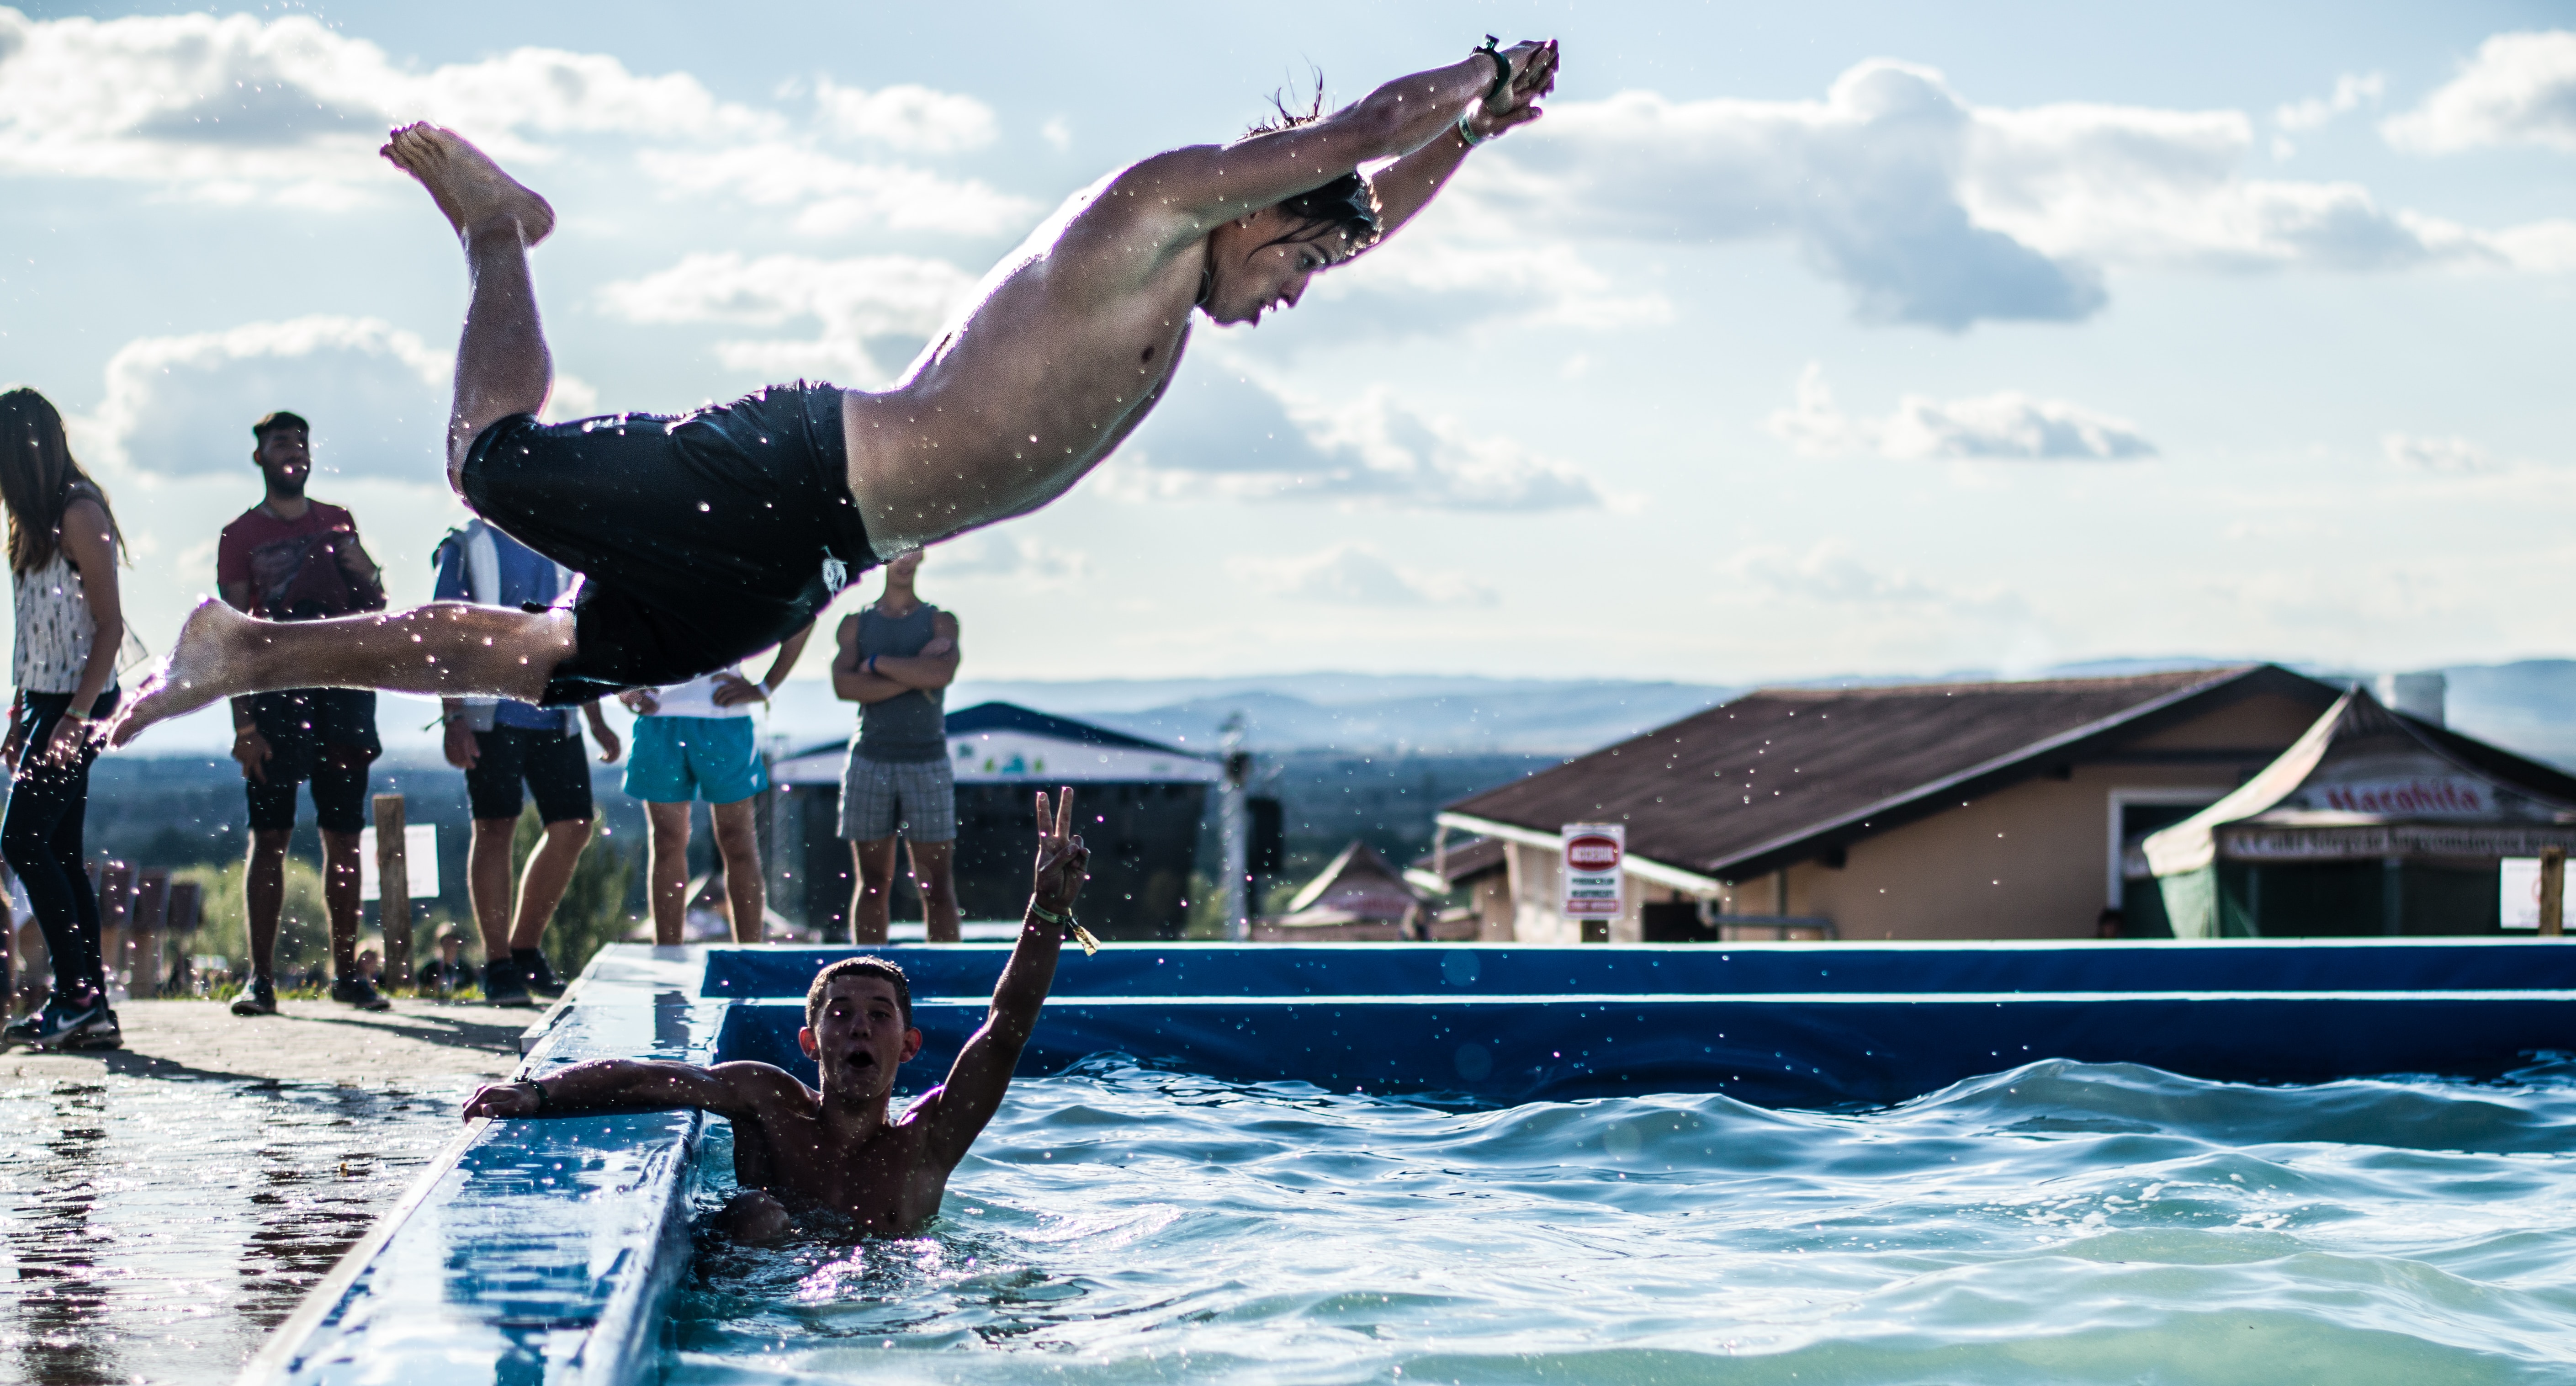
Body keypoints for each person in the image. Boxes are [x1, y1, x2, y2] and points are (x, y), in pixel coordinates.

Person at [108, 40, 1561, 744]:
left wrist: (1478, 136)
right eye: (1305, 253)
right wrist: (1476, 68)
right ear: (1268, 198)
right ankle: (502, 229)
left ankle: (247, 651)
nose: (1308, 284)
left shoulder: (1203, 286)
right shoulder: (1153, 215)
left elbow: (1379, 190)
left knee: (553, 664)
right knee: (491, 471)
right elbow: (1370, 128)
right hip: (791, 470)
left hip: (815, 558)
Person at [462, 788, 1094, 1240]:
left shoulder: (926, 1140)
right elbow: (649, 1078)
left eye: (879, 1016)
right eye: (840, 1014)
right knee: (754, 1215)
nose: (858, 1027)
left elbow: (1005, 1031)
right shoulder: (766, 1103)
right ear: (810, 1040)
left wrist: (1044, 914)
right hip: (769, 1309)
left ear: (909, 1045)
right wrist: (539, 1092)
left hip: (900, 1307)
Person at [218, 411, 391, 1016]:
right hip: (274, 696)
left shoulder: (338, 521)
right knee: (270, 838)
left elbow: (376, 604)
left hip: (343, 691)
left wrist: (363, 568)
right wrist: (244, 726)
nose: (294, 450)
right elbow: (234, 638)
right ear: (260, 457)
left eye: (301, 442)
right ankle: (260, 981)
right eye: (281, 442)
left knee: (343, 837)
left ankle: (347, 975)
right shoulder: (238, 536)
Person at [431, 516, 624, 1005]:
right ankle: (498, 964)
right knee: (496, 827)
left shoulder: (558, 537)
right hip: (487, 711)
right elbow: (441, 634)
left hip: (554, 710)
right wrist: (452, 716)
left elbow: (579, 634)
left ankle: (524, 950)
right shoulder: (466, 543)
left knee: (575, 823)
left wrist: (597, 717)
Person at [0, 388, 126, 1049]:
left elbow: (109, 626)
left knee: (19, 841)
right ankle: (91, 1005)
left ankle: (75, 993)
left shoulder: (79, 511)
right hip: (46, 699)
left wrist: (75, 717)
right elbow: (35, 628)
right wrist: (23, 711)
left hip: (83, 698)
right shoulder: (30, 519)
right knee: (60, 850)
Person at [620, 627, 813, 946]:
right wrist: (622, 686)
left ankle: (750, 954)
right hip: (659, 719)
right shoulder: (649, 575)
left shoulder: (737, 575)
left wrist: (766, 687)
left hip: (724, 721)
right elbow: (608, 619)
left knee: (737, 840)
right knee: (667, 841)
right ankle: (668, 953)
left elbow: (804, 617)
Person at [834, 549, 960, 944]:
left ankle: (947, 981)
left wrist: (873, 665)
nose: (904, 560)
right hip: (870, 760)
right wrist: (913, 674)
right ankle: (867, 973)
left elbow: (941, 673)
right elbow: (845, 687)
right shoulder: (855, 623)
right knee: (872, 883)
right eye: (896, 550)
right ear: (881, 555)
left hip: (928, 761)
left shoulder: (941, 620)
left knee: (936, 886)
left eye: (913, 550)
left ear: (923, 554)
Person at [418, 920, 479, 998]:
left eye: (453, 942)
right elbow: (421, 993)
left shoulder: (466, 969)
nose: (450, 946)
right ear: (440, 943)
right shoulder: (429, 969)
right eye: (446, 942)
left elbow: (473, 992)